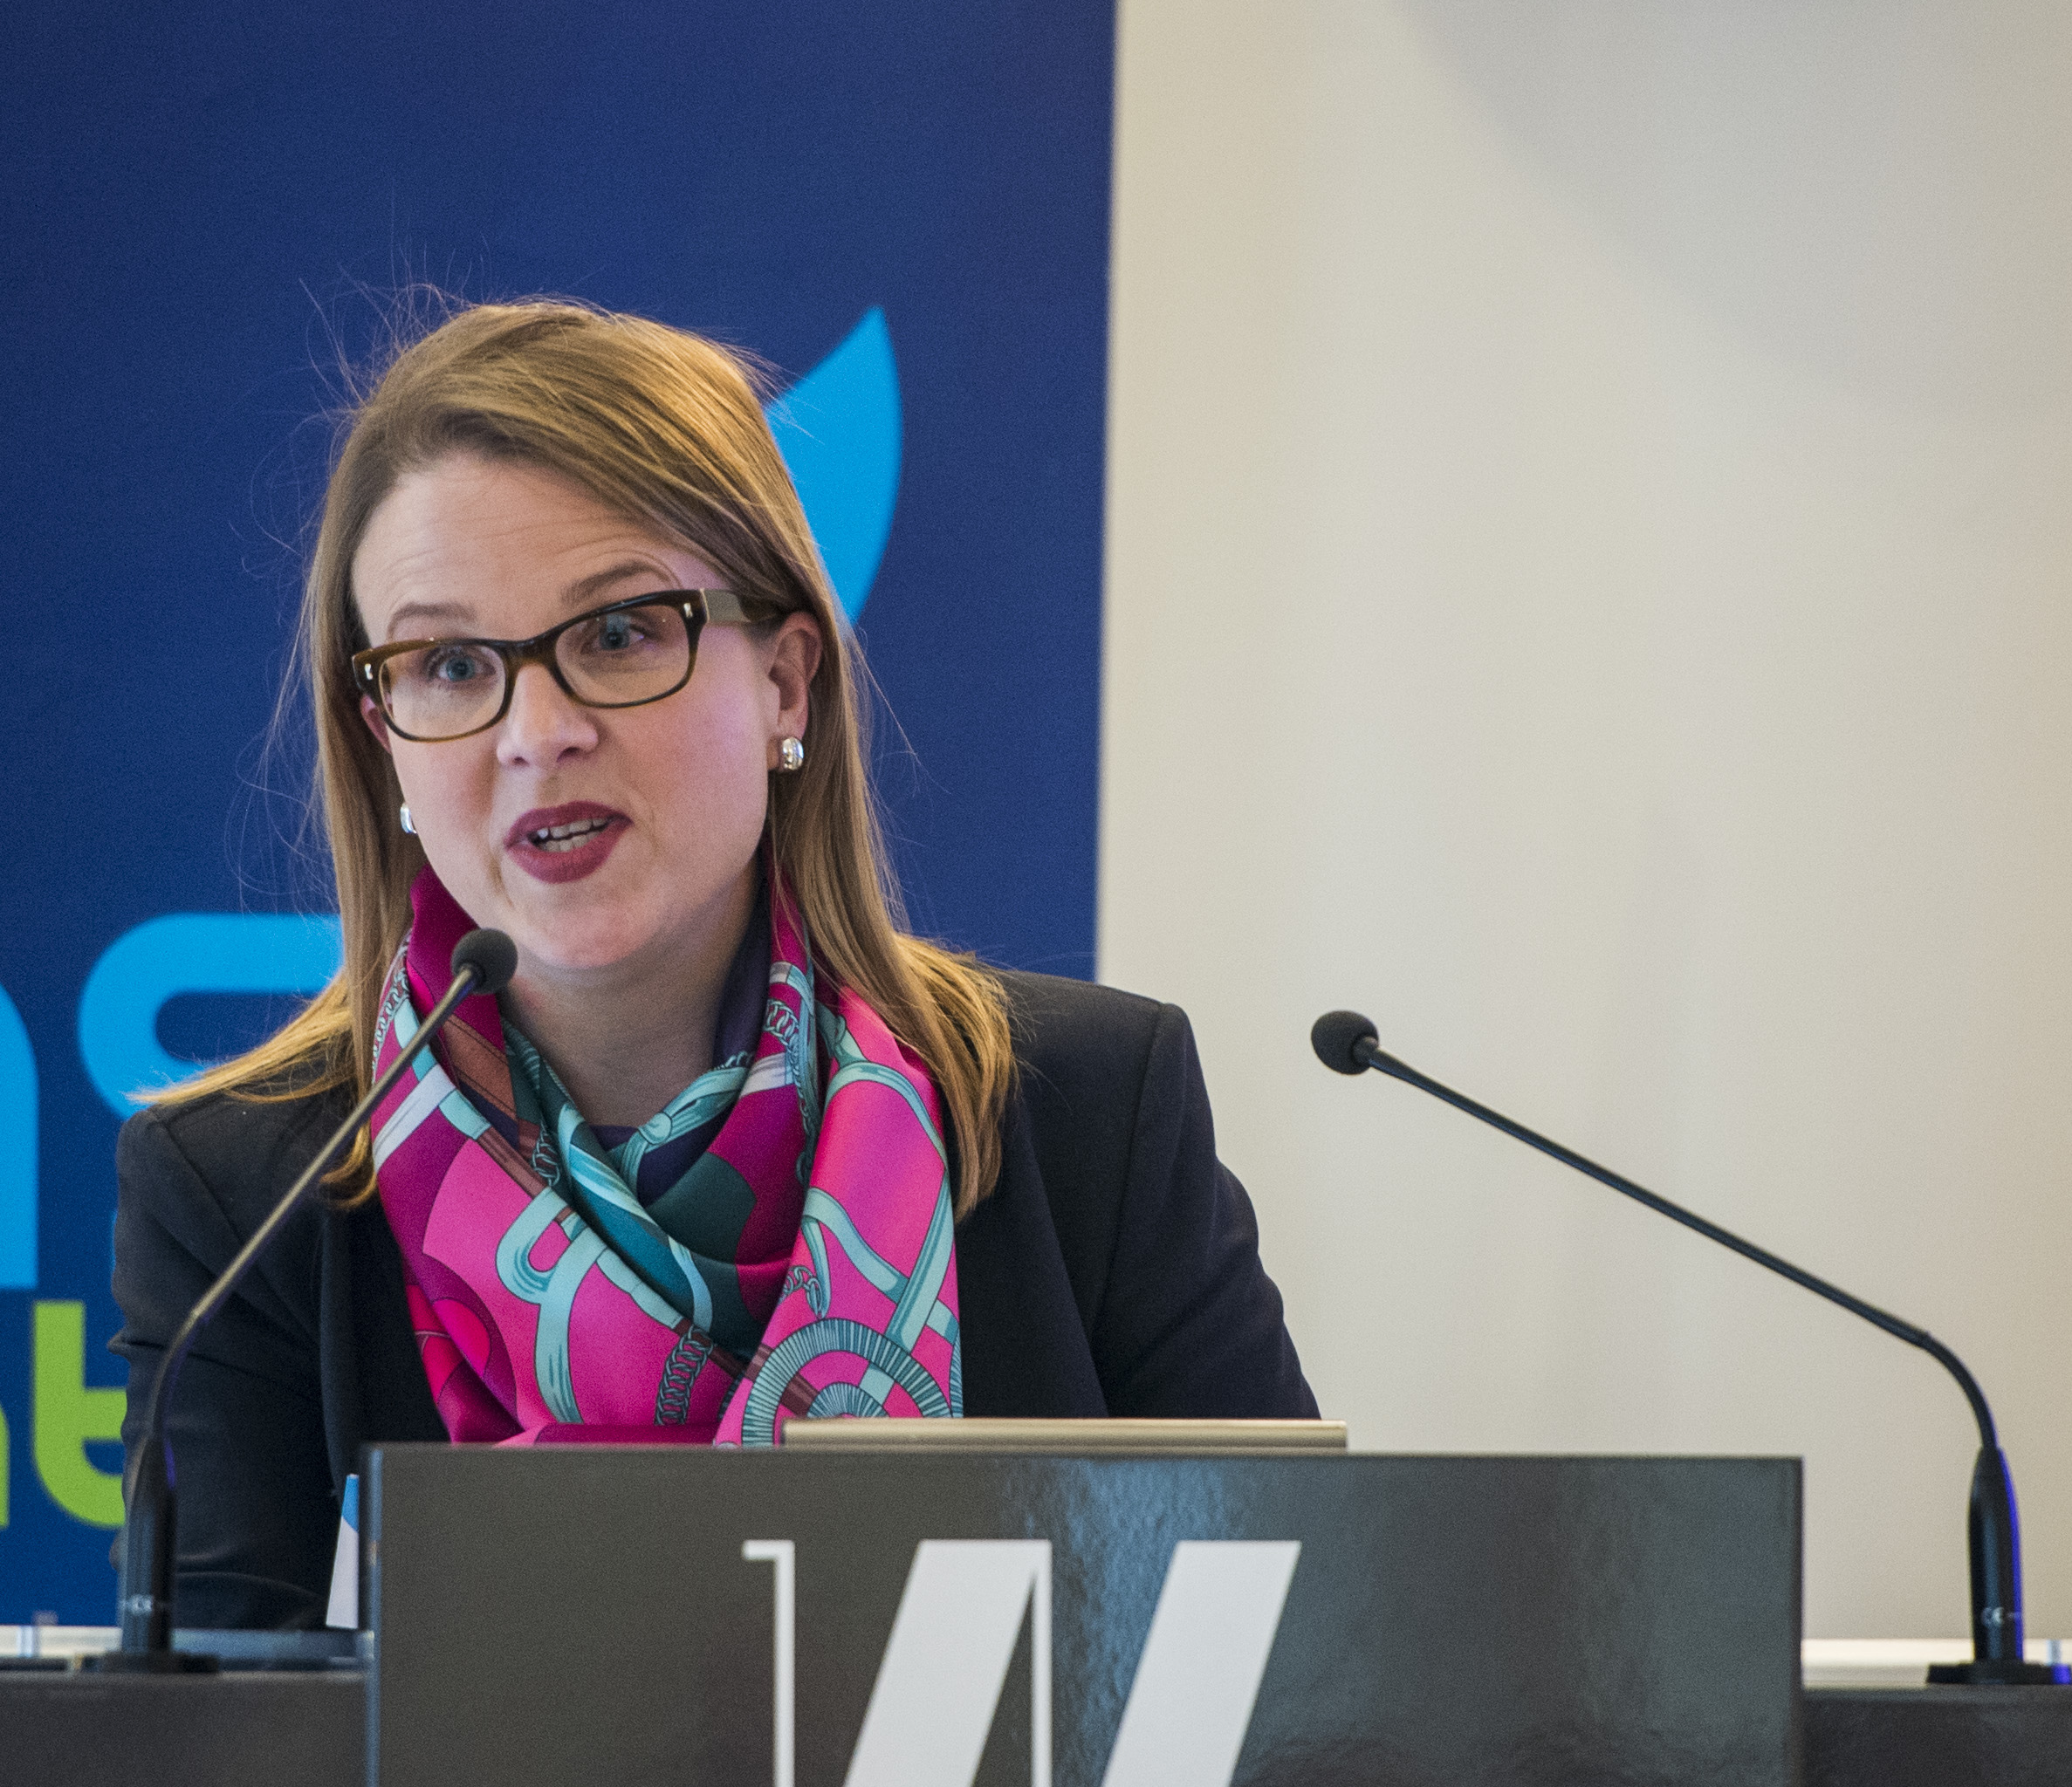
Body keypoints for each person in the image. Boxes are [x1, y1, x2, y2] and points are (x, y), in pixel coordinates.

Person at [113, 300, 1313, 1626]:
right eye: (450, 664)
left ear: (785, 683)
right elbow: (217, 1744)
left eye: (621, 632)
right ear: (382, 733)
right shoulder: (244, 1198)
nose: (537, 731)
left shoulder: (1088, 1113)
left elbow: (1294, 1670)